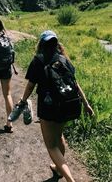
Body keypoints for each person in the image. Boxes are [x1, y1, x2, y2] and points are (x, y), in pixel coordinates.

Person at [9, 30, 94, 182]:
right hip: (67, 105)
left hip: (49, 108)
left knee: (51, 146)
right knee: (59, 136)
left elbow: (30, 86)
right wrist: (86, 104)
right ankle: (58, 169)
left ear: (41, 44)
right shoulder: (64, 59)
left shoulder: (38, 60)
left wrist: (22, 102)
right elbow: (75, 84)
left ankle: (70, 179)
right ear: (56, 43)